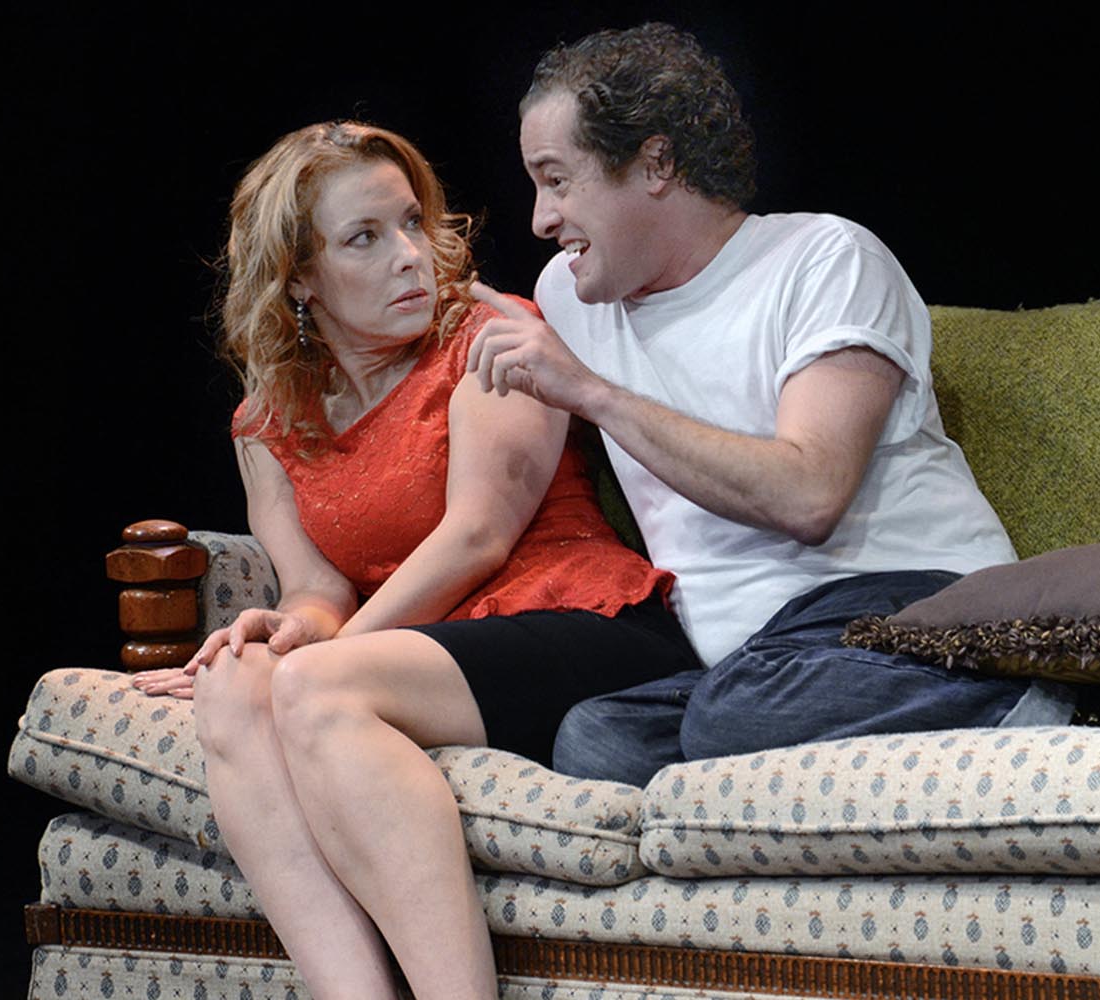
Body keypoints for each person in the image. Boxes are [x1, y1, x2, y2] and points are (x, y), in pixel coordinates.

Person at [132, 121, 699, 1000]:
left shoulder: (491, 335)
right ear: (298, 277)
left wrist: (325, 655)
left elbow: (478, 536)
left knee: (311, 686)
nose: (409, 256)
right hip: (420, 654)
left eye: (410, 223)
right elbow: (317, 585)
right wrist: (291, 629)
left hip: (582, 624)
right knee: (235, 680)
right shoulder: (267, 420)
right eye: (364, 238)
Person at [467, 23, 1075, 789]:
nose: (540, 219)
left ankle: (1055, 695)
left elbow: (809, 495)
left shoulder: (824, 260)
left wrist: (592, 393)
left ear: (656, 163)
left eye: (557, 180)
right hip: (753, 663)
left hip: (911, 604)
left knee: (734, 717)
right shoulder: (568, 296)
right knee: (599, 740)